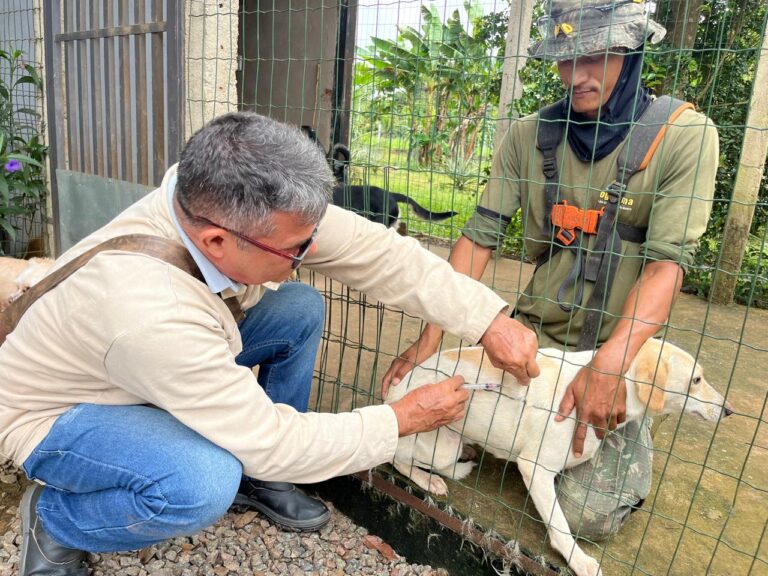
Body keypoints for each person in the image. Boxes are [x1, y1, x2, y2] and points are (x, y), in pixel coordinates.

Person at [0, 112, 540, 575]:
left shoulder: (216, 201)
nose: (308, 255)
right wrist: (398, 420)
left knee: (297, 307)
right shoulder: (149, 314)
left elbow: (377, 252)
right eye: (296, 249)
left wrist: (486, 319)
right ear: (216, 240)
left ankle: (265, 482)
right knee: (203, 480)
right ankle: (55, 520)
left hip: (141, 362)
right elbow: (270, 436)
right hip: (58, 411)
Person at [384, 0, 718, 542]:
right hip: (531, 341)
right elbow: (479, 236)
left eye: (595, 56)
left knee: (589, 517)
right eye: (565, 58)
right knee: (437, 415)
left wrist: (612, 366)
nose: (576, 75)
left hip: (617, 353)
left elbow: (666, 268)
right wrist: (433, 332)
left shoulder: (685, 135)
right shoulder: (530, 134)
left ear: (631, 51)